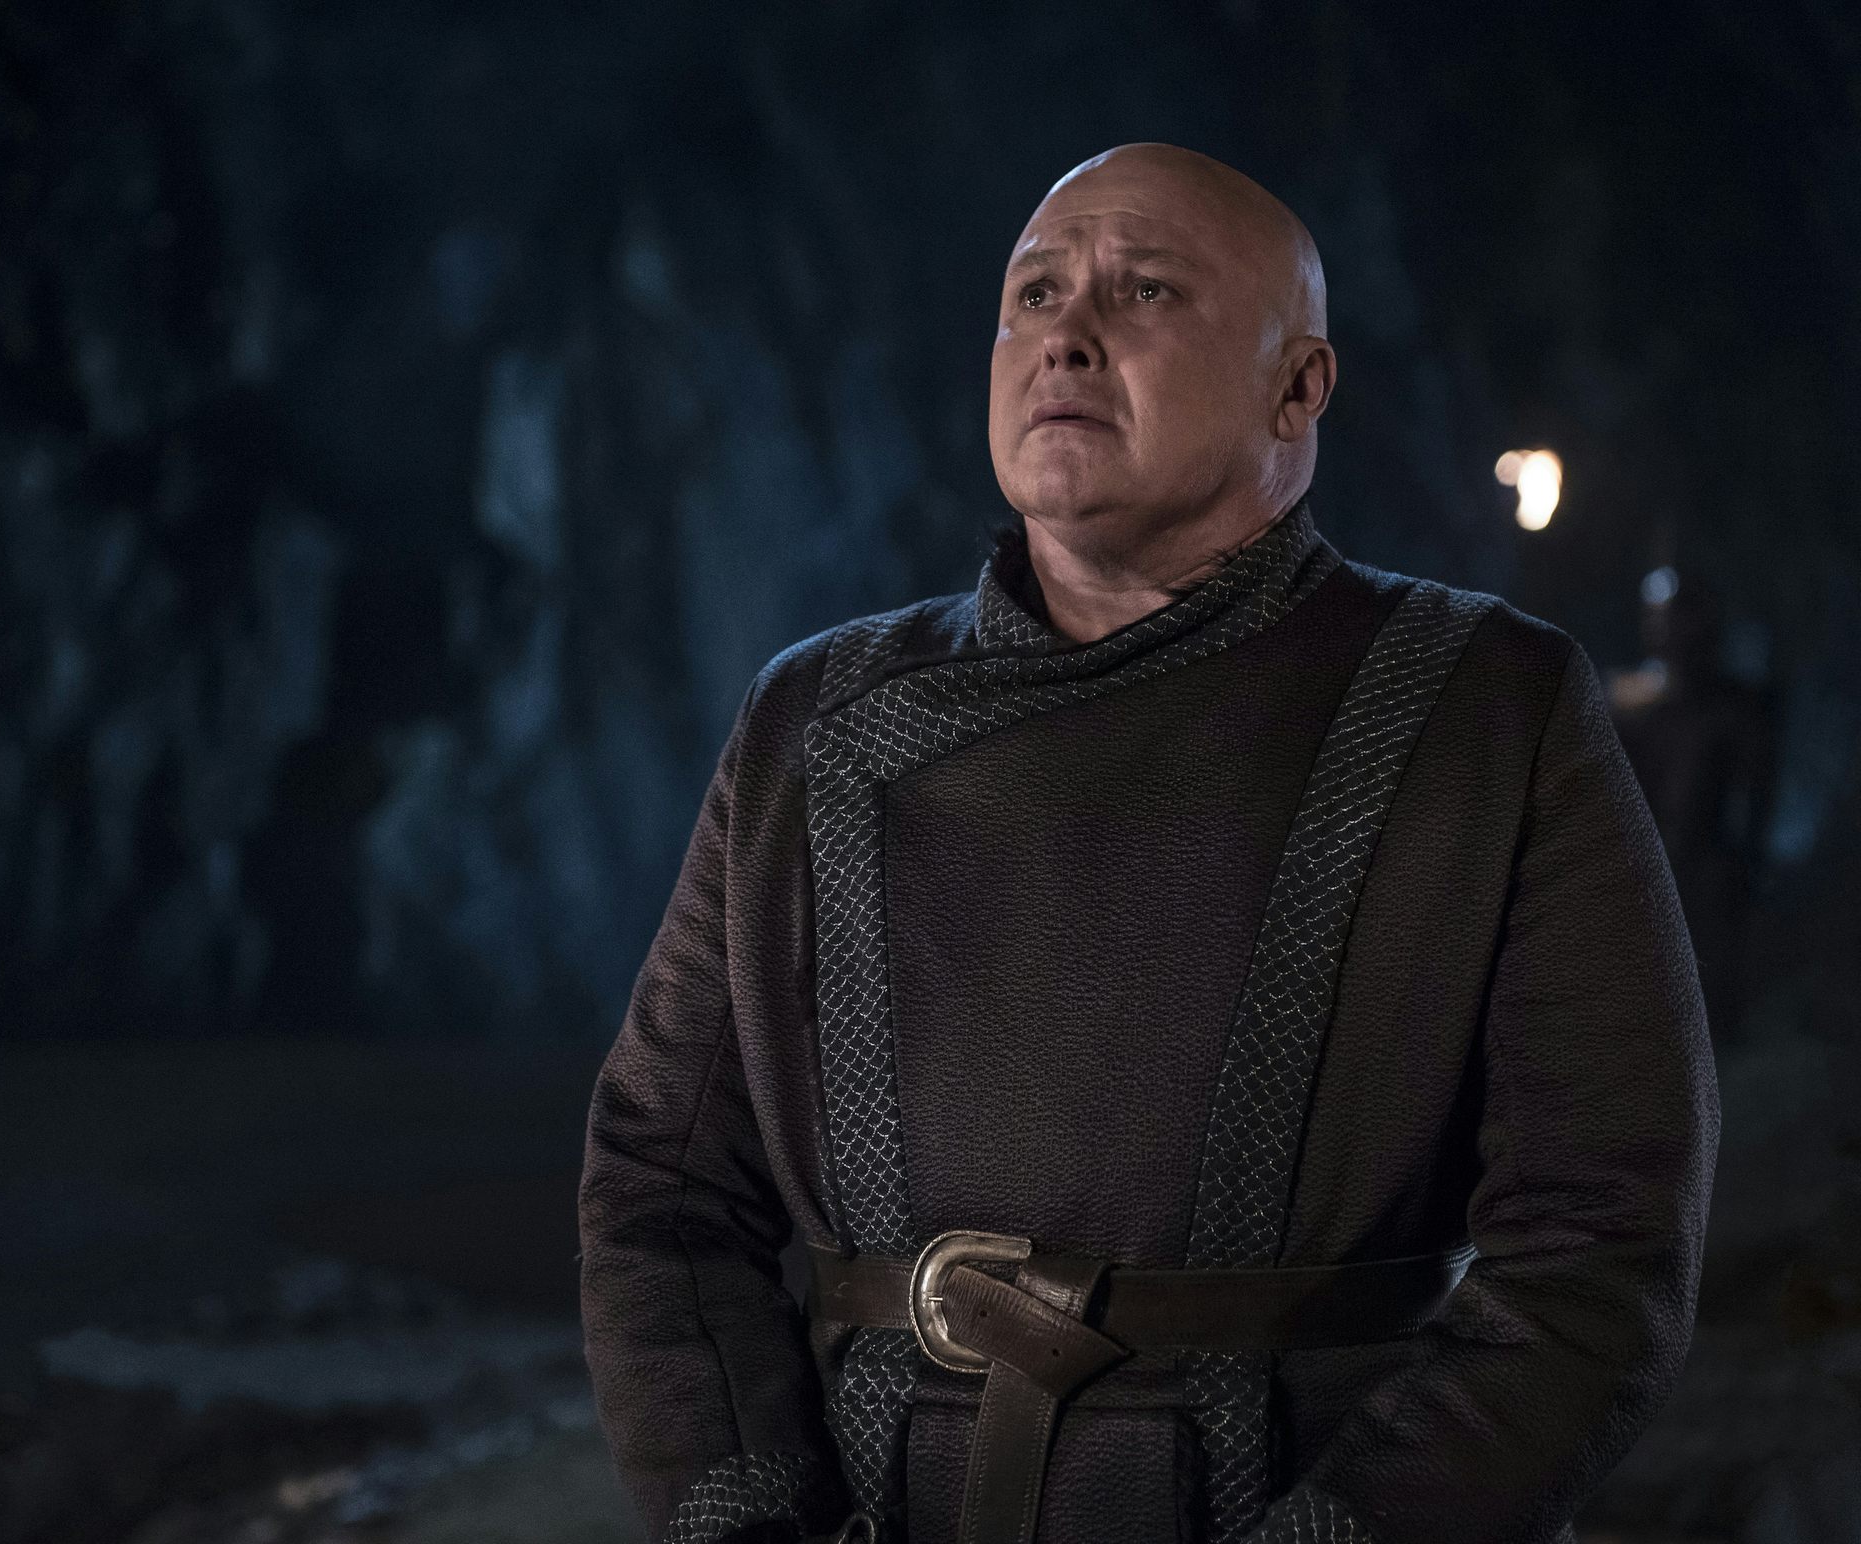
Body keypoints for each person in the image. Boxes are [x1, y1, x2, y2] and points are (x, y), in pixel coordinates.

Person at [577, 143, 1721, 1544]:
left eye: (1146, 291)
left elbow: (1600, 1239)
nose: (1066, 333)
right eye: (1035, 294)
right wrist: (747, 1525)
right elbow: (661, 1189)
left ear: (1297, 386)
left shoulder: (1485, 707)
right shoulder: (811, 717)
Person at [1607, 566, 1776, 1047]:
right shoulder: (1624, 702)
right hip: (1638, 875)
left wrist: (1744, 869)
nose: (1668, 629)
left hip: (1706, 878)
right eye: (1660, 617)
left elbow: (1753, 799)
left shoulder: (1733, 709)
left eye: (1679, 617)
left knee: (1704, 1018)